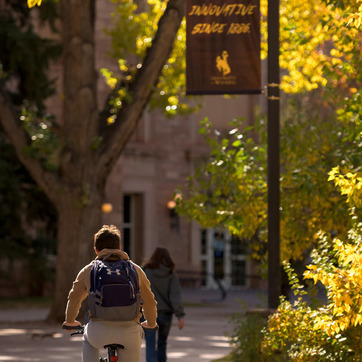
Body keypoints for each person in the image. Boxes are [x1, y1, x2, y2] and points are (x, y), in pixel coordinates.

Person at [62, 225, 157, 362]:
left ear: (96, 250)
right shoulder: (135, 270)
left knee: (88, 341)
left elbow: (74, 298)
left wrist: (70, 321)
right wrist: (151, 322)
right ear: (119, 247)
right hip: (129, 331)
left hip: (99, 332)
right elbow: (149, 301)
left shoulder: (89, 270)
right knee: (133, 345)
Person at [143, 247, 185, 362]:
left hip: (148, 313)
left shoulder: (146, 271)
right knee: (162, 343)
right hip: (165, 314)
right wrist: (180, 316)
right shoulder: (171, 273)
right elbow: (174, 296)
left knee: (150, 344)